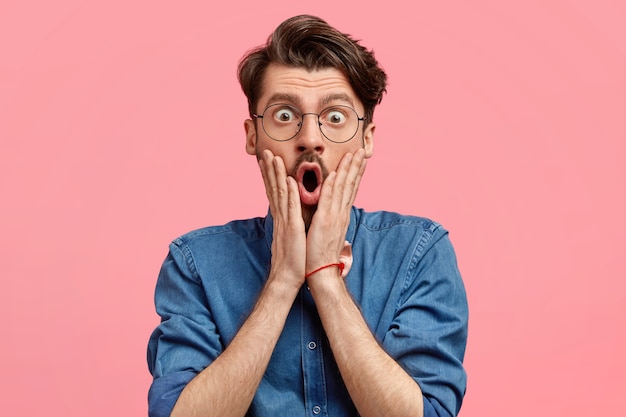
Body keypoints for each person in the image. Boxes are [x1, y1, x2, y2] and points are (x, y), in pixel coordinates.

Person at [147, 14, 468, 417]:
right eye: (284, 116)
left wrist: (326, 279)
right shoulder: (194, 263)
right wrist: (282, 279)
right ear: (252, 136)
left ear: (366, 138)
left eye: (335, 118)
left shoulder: (420, 252)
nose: (310, 139)